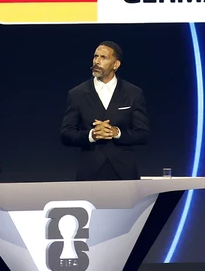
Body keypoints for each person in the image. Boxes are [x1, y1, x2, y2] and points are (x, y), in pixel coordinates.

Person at [60, 41, 151, 180]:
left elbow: (143, 134)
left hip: (124, 172)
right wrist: (92, 135)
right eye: (95, 56)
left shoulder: (133, 93)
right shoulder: (77, 94)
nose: (97, 61)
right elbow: (66, 134)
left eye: (103, 57)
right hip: (90, 173)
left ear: (116, 65)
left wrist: (117, 132)